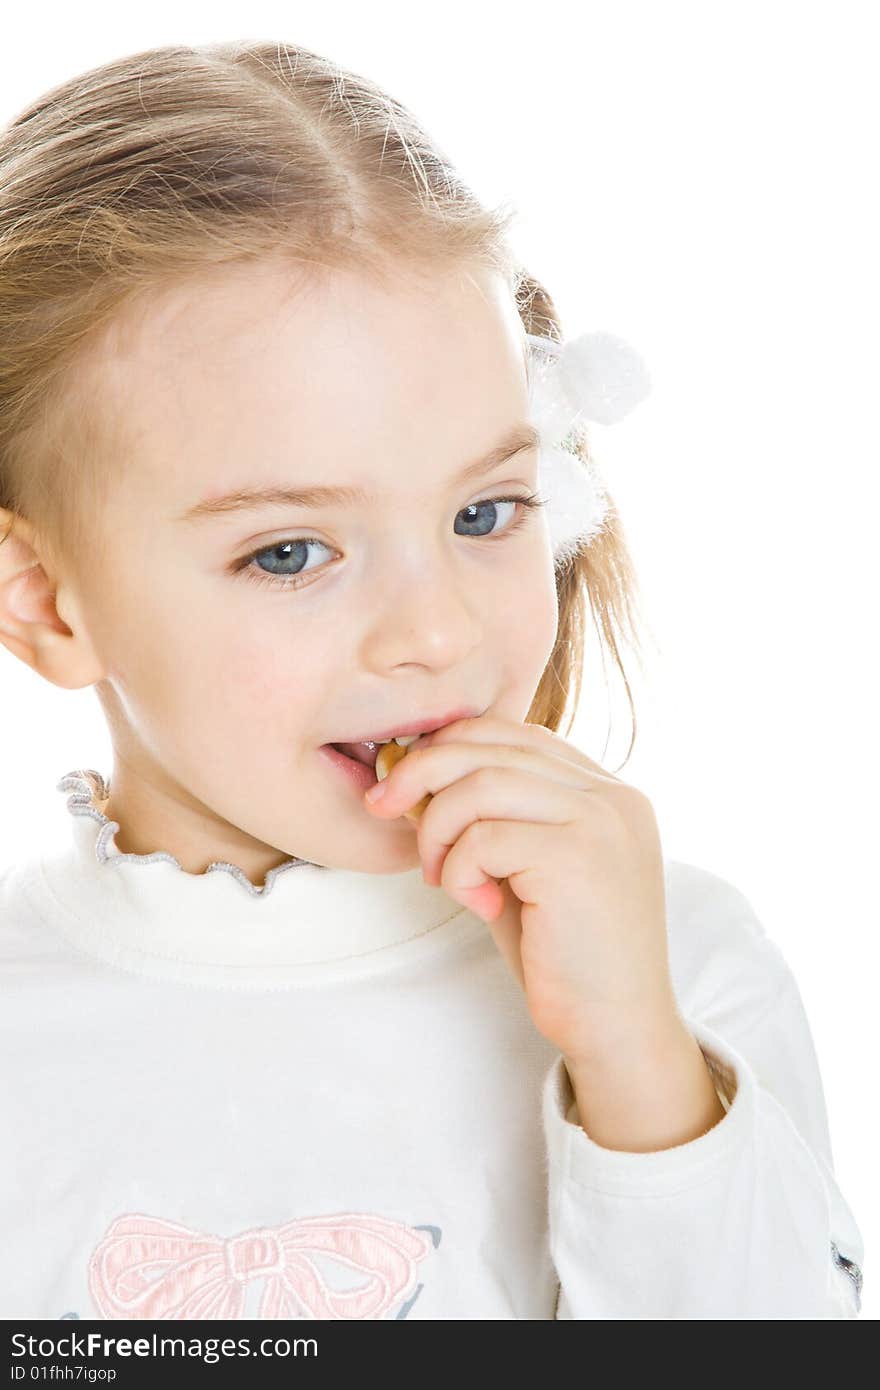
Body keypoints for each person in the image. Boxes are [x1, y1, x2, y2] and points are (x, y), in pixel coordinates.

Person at [0, 38, 863, 1321]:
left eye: (483, 514)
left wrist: (636, 1066)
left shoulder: (679, 973)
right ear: (48, 603)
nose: (436, 631)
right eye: (290, 551)